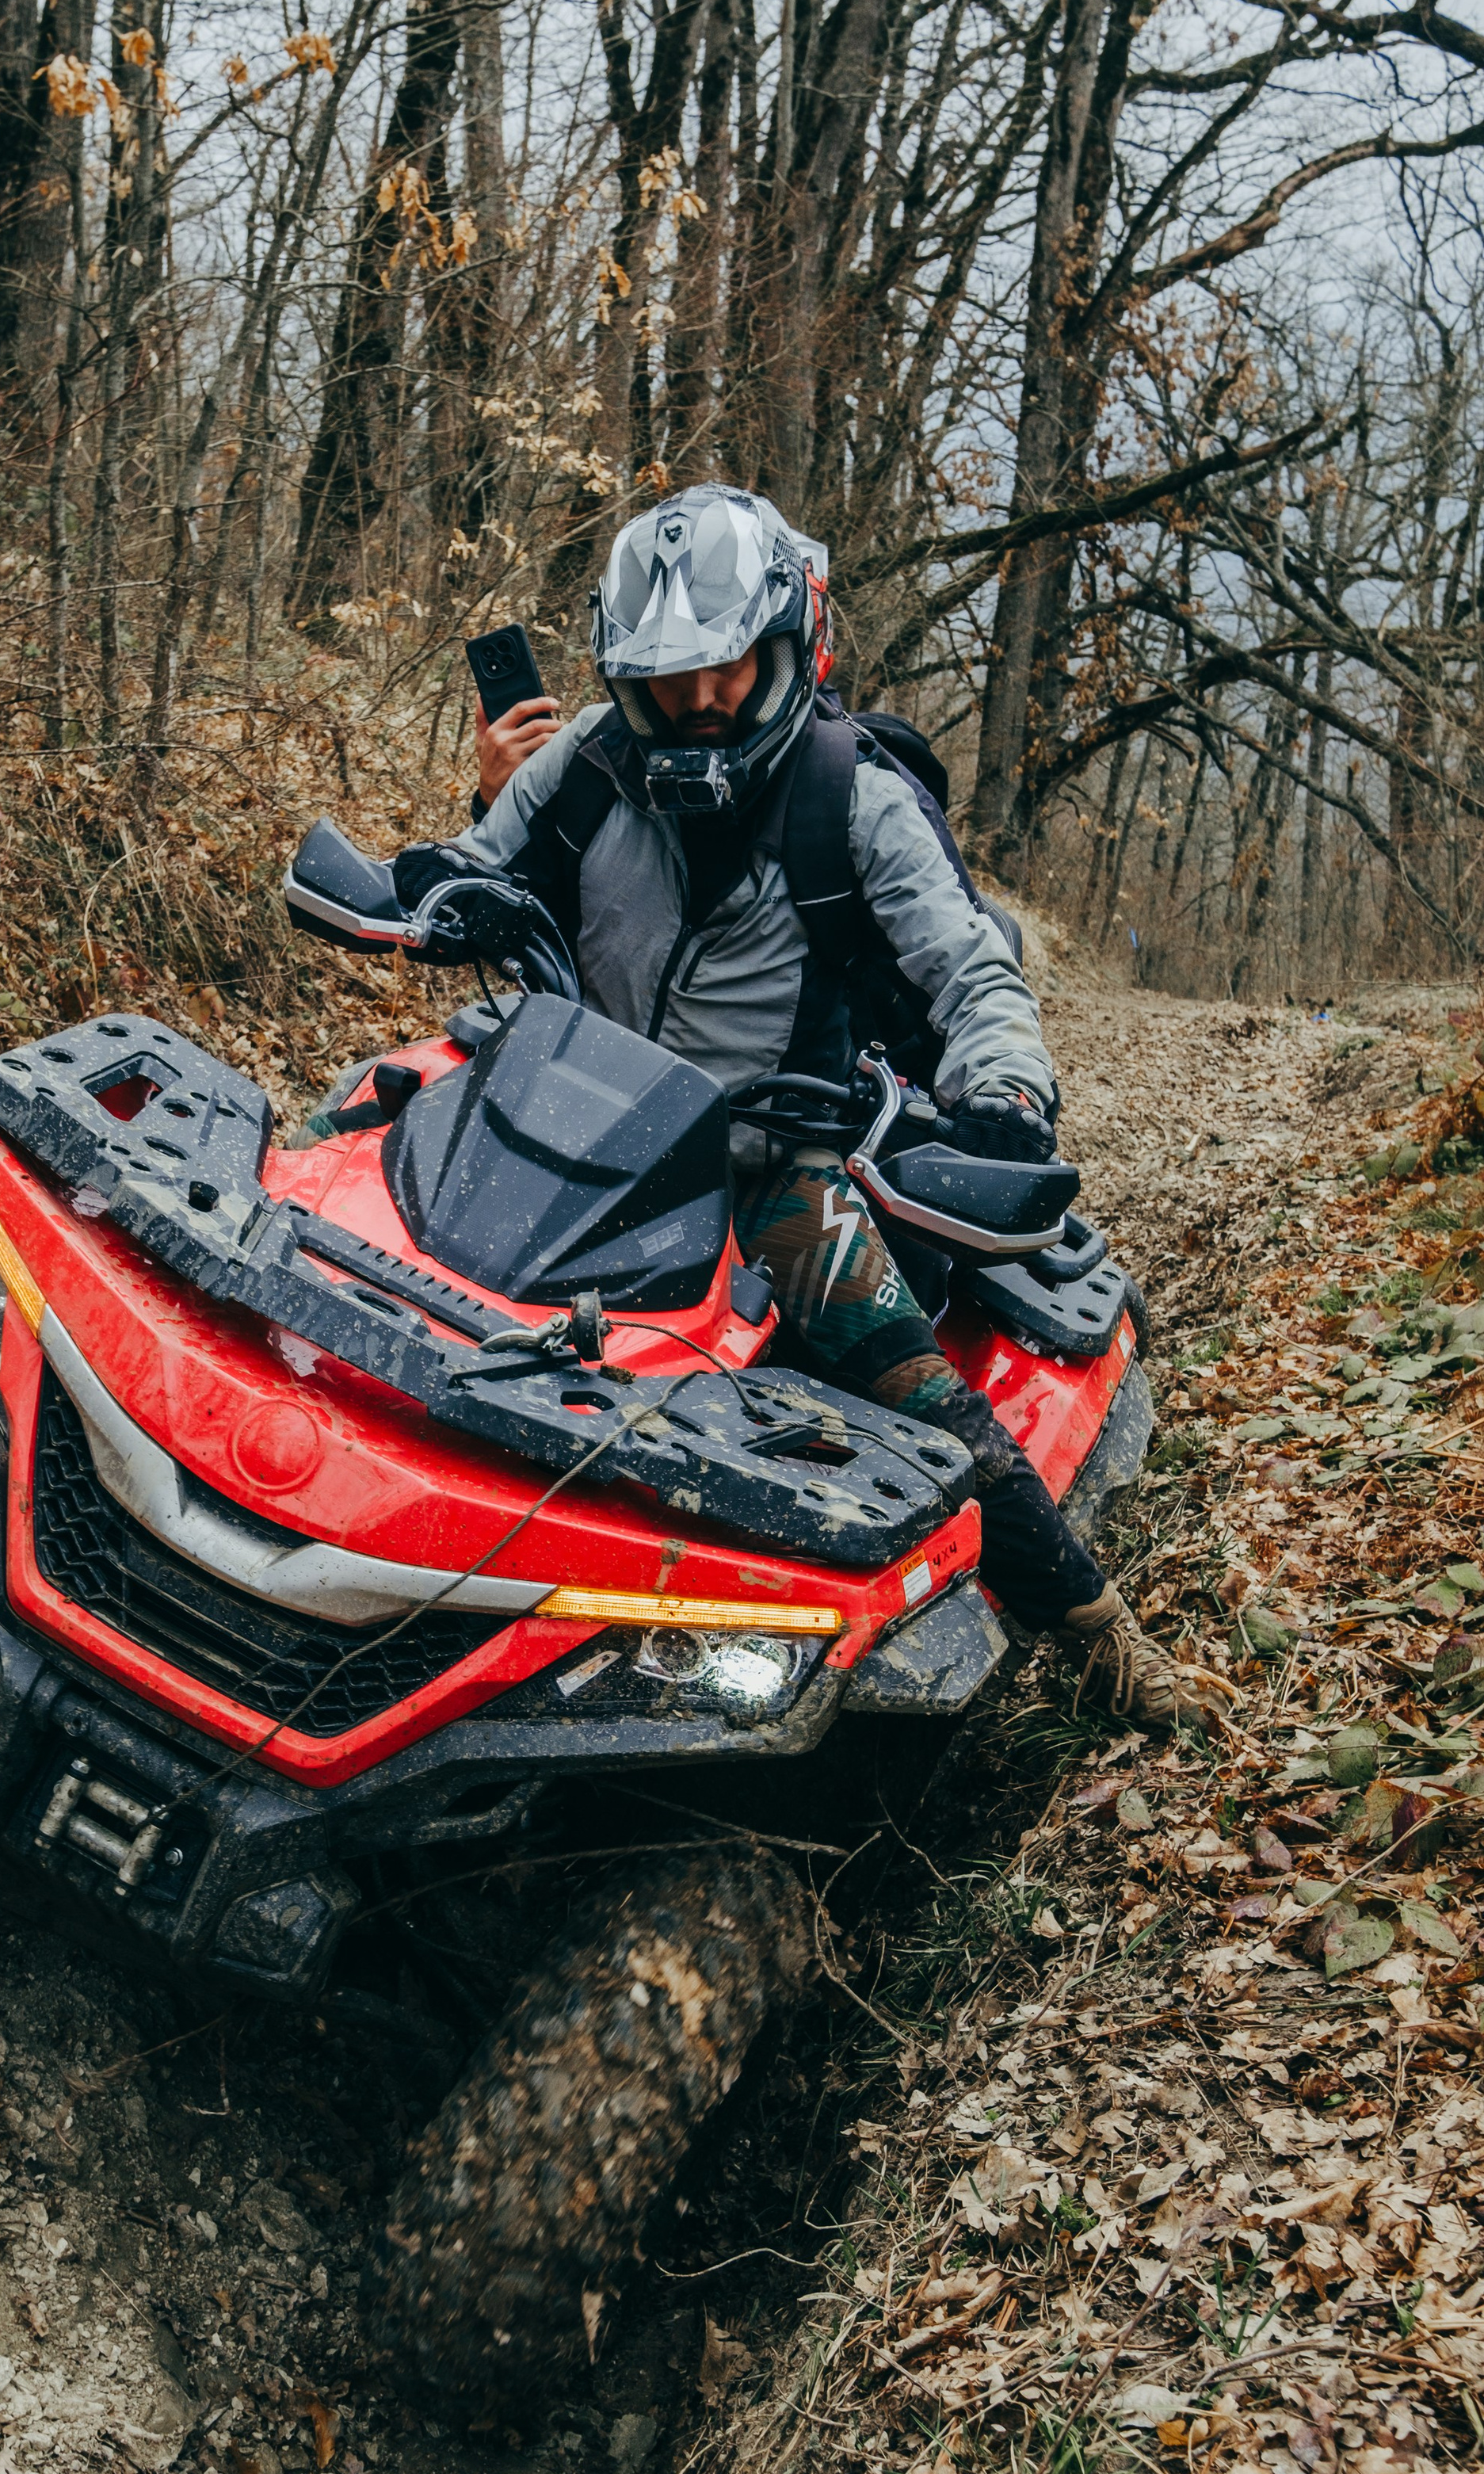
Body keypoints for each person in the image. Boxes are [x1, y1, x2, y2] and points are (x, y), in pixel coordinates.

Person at [411, 485, 1222, 1734]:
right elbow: (472, 881)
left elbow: (970, 968)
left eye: (726, 671)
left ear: (791, 649)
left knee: (925, 1402)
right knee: (363, 1182)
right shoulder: (580, 762)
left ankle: (1104, 1640)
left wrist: (1006, 1091)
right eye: (668, 681)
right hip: (557, 1123)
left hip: (769, 1166)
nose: (698, 706)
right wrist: (447, 872)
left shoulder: (856, 796)